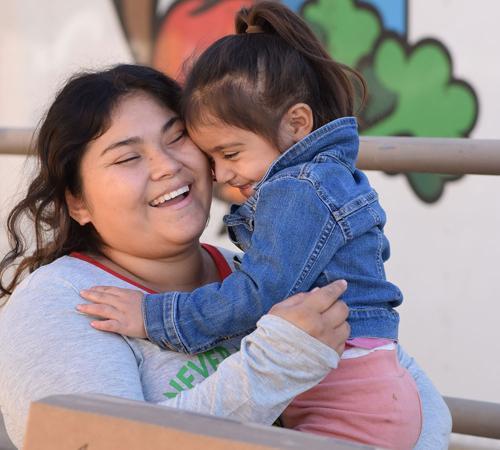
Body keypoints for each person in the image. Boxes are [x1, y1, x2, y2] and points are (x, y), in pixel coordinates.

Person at [0, 65, 450, 450]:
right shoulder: (60, 303)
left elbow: (406, 393)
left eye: (178, 137)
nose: (167, 166)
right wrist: (277, 363)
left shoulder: (254, 272)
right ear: (77, 201)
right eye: (127, 158)